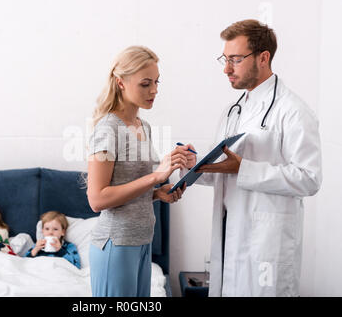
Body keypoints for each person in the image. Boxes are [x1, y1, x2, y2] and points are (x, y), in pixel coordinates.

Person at [181, 19, 322, 296]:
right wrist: (193, 164)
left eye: (235, 59)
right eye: (225, 59)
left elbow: (309, 179)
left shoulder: (293, 111)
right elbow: (222, 171)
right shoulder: (233, 111)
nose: (226, 69)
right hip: (229, 236)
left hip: (266, 244)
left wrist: (243, 169)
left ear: (263, 58)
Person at [87, 45, 195, 297]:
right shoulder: (107, 129)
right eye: (145, 84)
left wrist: (157, 194)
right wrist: (156, 176)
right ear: (121, 82)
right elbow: (97, 199)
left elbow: (133, 186)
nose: (154, 90)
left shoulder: (141, 125)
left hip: (142, 240)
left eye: (156, 82)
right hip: (117, 243)